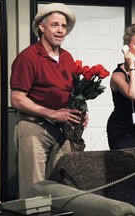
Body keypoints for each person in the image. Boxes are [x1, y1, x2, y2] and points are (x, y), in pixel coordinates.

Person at [10, 3, 85, 198]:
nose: (60, 30)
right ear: (41, 27)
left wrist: (81, 114)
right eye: (55, 25)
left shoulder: (67, 58)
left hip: (62, 129)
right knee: (34, 187)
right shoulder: (28, 57)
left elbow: (72, 94)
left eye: (63, 26)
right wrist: (52, 113)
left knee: (62, 185)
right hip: (33, 126)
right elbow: (17, 99)